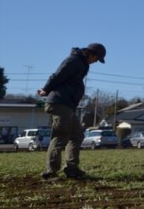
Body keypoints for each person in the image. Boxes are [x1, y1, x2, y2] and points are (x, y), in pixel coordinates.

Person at [38, 43, 106, 181]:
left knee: (77, 135)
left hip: (67, 105)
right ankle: (50, 173)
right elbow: (57, 75)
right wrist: (45, 89)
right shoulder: (73, 60)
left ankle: (72, 169)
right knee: (60, 137)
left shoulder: (81, 63)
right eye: (96, 59)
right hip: (59, 103)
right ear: (91, 54)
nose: (95, 62)